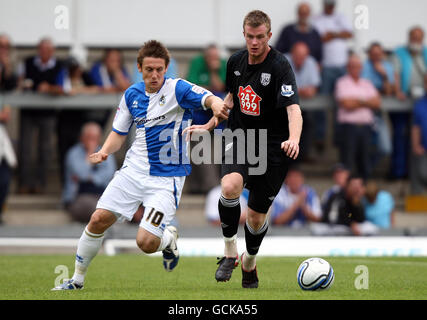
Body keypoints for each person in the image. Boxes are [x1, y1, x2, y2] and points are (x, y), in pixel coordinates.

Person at [52, 40, 229, 290]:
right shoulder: (132, 95)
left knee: (145, 243)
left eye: (159, 69)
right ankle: (77, 280)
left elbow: (208, 98)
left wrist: (218, 105)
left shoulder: (178, 89)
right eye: (149, 69)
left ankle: (167, 239)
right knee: (98, 218)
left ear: (166, 68)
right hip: (133, 171)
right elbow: (118, 133)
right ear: (139, 68)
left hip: (167, 178)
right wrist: (104, 151)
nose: (154, 75)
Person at [184, 10, 302, 289]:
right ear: (244, 34)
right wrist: (211, 124)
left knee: (256, 216)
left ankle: (249, 260)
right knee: (229, 187)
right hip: (240, 137)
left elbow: (294, 109)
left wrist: (294, 138)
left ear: (269, 36)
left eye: (260, 37)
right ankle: (229, 252)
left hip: (273, 146)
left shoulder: (280, 66)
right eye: (250, 36)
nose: (255, 42)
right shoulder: (235, 62)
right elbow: (232, 98)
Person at [17, 38, 63, 194]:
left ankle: (40, 184)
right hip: (28, 110)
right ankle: (23, 183)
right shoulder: (28, 62)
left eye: (47, 50)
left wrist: (49, 88)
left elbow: (63, 87)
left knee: (45, 148)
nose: (44, 53)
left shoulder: (59, 65)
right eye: (42, 50)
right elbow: (19, 82)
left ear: (52, 52)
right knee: (25, 148)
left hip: (48, 112)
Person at [312, 0, 353, 153]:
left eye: (332, 4)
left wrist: (332, 34)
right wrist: (335, 35)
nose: (330, 7)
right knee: (322, 102)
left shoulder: (341, 17)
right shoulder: (316, 19)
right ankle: (320, 137)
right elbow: (317, 38)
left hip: (342, 65)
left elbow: (349, 33)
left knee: (341, 102)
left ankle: (338, 137)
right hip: (326, 66)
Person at [186, 44, 228, 194]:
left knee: (220, 150)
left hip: (220, 123)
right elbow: (194, 89)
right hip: (198, 120)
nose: (213, 60)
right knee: (201, 150)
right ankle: (212, 189)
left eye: (215, 57)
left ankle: (215, 189)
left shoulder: (222, 66)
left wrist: (213, 71)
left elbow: (221, 87)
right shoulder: (197, 63)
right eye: (210, 57)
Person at [335, 54, 381, 179]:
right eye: (352, 66)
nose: (355, 69)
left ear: (361, 68)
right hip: (348, 127)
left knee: (365, 161)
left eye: (358, 66)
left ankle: (363, 189)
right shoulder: (342, 82)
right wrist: (366, 101)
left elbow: (377, 102)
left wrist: (357, 101)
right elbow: (346, 104)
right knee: (347, 161)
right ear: (348, 67)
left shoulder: (366, 83)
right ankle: (345, 192)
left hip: (366, 127)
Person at [390, 26, 427, 180]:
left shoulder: (424, 53)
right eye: (413, 37)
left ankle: (413, 173)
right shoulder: (399, 52)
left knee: (419, 137)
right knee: (400, 134)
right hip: (403, 100)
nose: (416, 40)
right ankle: (398, 171)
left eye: (419, 37)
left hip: (421, 102)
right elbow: (395, 73)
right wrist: (397, 90)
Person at [62, 122, 116, 223]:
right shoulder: (74, 153)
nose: (92, 141)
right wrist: (90, 154)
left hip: (101, 195)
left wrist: (91, 178)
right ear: (82, 137)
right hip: (79, 197)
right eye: (89, 137)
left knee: (112, 209)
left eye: (95, 138)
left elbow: (108, 174)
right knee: (98, 210)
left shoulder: (105, 152)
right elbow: (81, 173)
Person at [285, 41, 321, 160]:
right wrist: (301, 91)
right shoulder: (283, 61)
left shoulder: (310, 62)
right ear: (292, 54)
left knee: (309, 123)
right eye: (298, 56)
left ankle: (301, 156)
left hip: (304, 107)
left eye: (303, 56)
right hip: (284, 108)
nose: (300, 59)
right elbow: (281, 88)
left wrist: (296, 90)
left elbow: (313, 89)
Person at [410, 74, 427, 194]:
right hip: (424, 149)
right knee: (422, 173)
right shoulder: (419, 104)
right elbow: (415, 127)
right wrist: (416, 145)